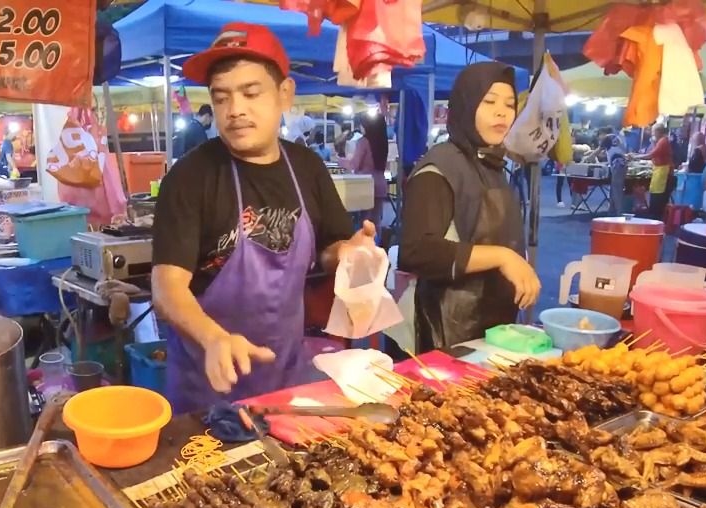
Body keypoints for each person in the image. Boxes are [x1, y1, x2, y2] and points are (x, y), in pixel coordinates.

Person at [151, 22, 376, 413]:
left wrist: (348, 252)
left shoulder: (306, 167)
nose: (235, 110)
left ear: (284, 94)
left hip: (285, 383)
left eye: (250, 93)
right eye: (221, 98)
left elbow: (326, 250)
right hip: (207, 388)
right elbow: (167, 289)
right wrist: (214, 338)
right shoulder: (189, 178)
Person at [397, 62, 540, 351]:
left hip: (495, 328)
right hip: (446, 334)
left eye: (510, 104)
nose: (502, 111)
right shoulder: (439, 168)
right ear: (465, 105)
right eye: (489, 102)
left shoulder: (494, 166)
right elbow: (416, 252)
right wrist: (503, 257)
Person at [341, 112, 388, 227]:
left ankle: (366, 244)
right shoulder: (383, 143)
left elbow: (354, 165)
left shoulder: (363, 142)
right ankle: (377, 243)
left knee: (365, 221)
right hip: (381, 183)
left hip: (365, 185)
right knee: (376, 221)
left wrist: (340, 161)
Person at [632, 123, 675, 219]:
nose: (652, 133)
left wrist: (635, 157)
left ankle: (656, 216)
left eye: (653, 131)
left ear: (659, 131)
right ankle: (654, 214)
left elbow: (652, 154)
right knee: (655, 194)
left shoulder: (663, 141)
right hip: (659, 170)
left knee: (658, 197)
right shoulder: (660, 141)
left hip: (663, 172)